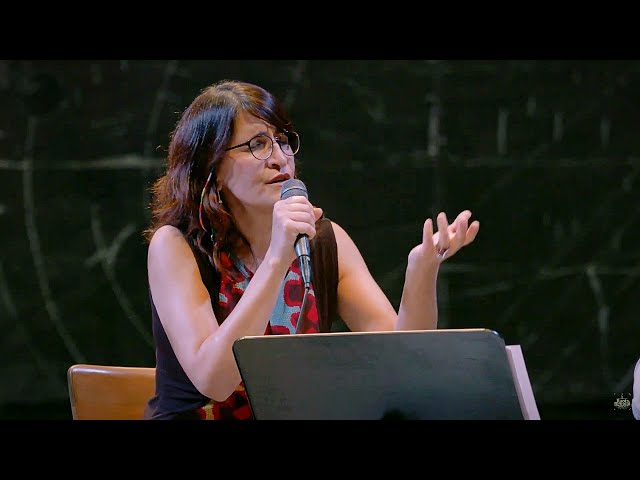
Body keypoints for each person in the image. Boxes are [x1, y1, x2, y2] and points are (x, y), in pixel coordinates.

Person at [142, 79, 480, 420]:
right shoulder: (176, 246)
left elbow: (404, 361)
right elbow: (214, 381)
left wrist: (421, 270)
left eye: (282, 141)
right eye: (257, 145)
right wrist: (277, 257)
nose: (279, 159)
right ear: (211, 168)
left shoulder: (322, 240)